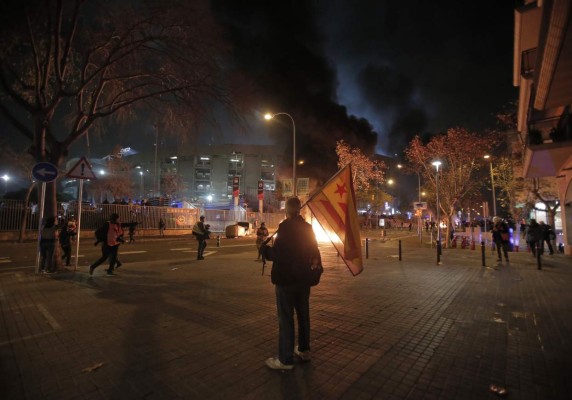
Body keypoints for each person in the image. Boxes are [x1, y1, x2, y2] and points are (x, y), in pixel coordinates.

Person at [264, 197, 321, 371]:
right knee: (303, 316)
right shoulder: (308, 228)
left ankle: (285, 359)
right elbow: (314, 251)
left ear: (287, 211)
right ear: (300, 210)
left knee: (286, 318)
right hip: (303, 280)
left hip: (286, 280)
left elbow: (280, 254)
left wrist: (265, 250)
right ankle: (304, 350)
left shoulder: (285, 228)